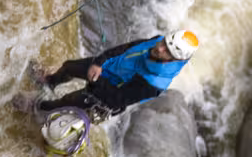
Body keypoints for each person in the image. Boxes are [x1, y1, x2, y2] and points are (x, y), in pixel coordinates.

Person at [37, 27, 200, 118]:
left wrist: (95, 81)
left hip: (104, 98)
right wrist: (100, 62)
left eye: (166, 50)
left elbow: (115, 100)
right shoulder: (159, 40)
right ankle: (50, 81)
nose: (159, 47)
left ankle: (37, 108)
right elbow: (126, 48)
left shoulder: (153, 84)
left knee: (65, 102)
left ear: (174, 59)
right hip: (106, 68)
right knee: (68, 67)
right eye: (164, 42)